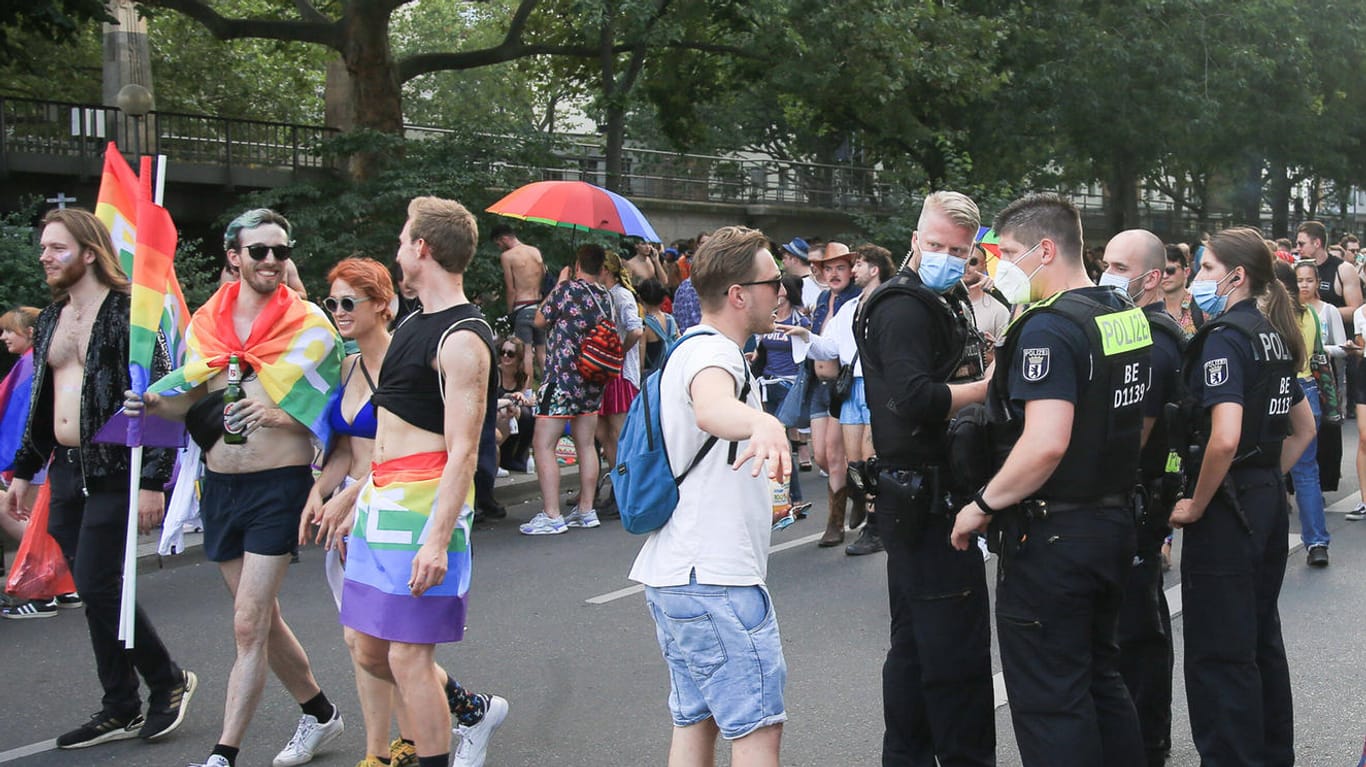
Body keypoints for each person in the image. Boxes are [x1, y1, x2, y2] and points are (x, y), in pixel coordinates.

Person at [126, 208, 346, 767]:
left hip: (279, 486)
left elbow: (333, 418)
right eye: (259, 251)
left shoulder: (311, 327)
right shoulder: (207, 323)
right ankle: (321, 713)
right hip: (220, 488)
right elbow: (184, 400)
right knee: (263, 621)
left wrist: (275, 418)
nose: (271, 260)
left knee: (248, 623)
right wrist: (151, 402)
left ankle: (223, 755)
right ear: (234, 256)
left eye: (280, 250)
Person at [310, 198, 510, 767]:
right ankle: (471, 708)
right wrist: (354, 493)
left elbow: (465, 450)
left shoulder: (463, 338)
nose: (398, 250)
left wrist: (436, 538)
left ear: (422, 248)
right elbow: (392, 430)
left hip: (425, 504)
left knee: (406, 658)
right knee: (366, 647)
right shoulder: (414, 325)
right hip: (382, 496)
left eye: (403, 241)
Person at [951, 194, 1147, 766]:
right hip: (1111, 520)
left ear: (1044, 249)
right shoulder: (1120, 310)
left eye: (1007, 252)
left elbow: (1046, 440)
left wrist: (981, 504)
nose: (998, 266)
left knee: (1051, 700)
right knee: (1101, 680)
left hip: (1055, 534)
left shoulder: (1047, 329)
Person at [4, 208, 194, 749]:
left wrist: (154, 480)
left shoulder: (131, 312)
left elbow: (160, 394)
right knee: (100, 589)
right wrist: (25, 469)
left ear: (89, 252)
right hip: (65, 470)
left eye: (56, 248)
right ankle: (120, 705)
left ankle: (167, 681)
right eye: (43, 247)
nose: (45, 256)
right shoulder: (48, 320)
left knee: (95, 581)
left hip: (116, 468)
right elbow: (42, 403)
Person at [628, 225, 791, 767]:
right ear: (739, 294)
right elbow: (712, 407)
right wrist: (761, 422)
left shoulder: (695, 349)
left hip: (680, 574)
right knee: (756, 730)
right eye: (774, 282)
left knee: (695, 721)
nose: (782, 292)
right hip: (715, 578)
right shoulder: (711, 355)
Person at [856, 191, 994, 766]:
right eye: (935, 245)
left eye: (958, 251)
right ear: (915, 239)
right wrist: (992, 385)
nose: (945, 257)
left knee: (915, 648)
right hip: (928, 495)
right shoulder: (906, 306)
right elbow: (915, 397)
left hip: (925, 490)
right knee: (954, 656)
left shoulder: (943, 296)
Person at [1168, 227, 1315, 766]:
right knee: (1258, 638)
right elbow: (1304, 429)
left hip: (1230, 505)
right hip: (1263, 498)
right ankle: (1273, 754)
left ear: (1238, 276)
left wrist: (1200, 501)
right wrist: (1262, 477)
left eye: (1207, 269)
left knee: (1219, 649)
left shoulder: (1226, 336)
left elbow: (1224, 435)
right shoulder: (1271, 331)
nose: (1198, 279)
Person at [1100, 229, 1182, 766]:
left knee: (1137, 629)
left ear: (1150, 278)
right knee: (1135, 621)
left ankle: (1146, 740)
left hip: (1137, 497)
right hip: (1138, 498)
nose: (1106, 273)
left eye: (1118, 265)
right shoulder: (1137, 326)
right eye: (1103, 261)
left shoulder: (1152, 335)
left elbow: (1140, 430)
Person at [785, 244, 895, 556]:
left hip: (876, 386)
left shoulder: (888, 304)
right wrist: (804, 336)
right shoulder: (849, 308)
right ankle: (871, 517)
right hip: (851, 389)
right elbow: (830, 347)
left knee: (871, 460)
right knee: (856, 463)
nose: (854, 269)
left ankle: (876, 526)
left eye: (858, 264)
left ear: (874, 269)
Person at [520, 244, 612, 535]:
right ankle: (586, 510)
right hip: (592, 379)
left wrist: (559, 283)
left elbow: (538, 319)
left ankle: (552, 514)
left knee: (543, 443)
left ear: (577, 264)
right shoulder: (604, 296)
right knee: (586, 444)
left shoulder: (566, 290)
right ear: (602, 267)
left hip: (561, 377)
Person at [1, 305, 81, 619]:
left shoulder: (33, 363)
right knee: (40, 521)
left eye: (10, 330)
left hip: (36, 455)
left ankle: (44, 589)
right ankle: (65, 587)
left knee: (30, 519)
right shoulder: (36, 362)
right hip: (46, 454)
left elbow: (23, 418)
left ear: (32, 333)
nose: (4, 336)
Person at [805, 242, 859, 547]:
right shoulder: (823, 299)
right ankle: (858, 492)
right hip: (817, 386)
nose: (835, 274)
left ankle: (834, 524)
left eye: (841, 267)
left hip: (843, 386)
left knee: (836, 457)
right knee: (822, 457)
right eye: (829, 268)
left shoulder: (856, 299)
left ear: (851, 270)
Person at [1280, 261, 1332, 566]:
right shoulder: (1309, 314)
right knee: (1306, 472)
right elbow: (1318, 356)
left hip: (1277, 390)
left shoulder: (1270, 316)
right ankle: (1317, 543)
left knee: (1265, 470)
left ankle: (1262, 542)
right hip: (1308, 390)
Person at [754, 274, 810, 515]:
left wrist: (804, 333)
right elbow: (762, 349)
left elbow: (810, 347)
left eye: (779, 285)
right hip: (767, 383)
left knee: (780, 441)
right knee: (772, 443)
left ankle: (793, 499)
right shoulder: (768, 317)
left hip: (790, 384)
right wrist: (753, 360)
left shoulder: (801, 318)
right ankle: (781, 500)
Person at [597, 251, 644, 472]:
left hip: (620, 374)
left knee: (618, 434)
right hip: (606, 372)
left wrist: (619, 352)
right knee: (604, 434)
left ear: (605, 270)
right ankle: (616, 483)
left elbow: (635, 330)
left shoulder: (622, 295)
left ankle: (624, 486)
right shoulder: (605, 294)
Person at [492, 224, 546, 382]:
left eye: (498, 244)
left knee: (526, 352)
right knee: (542, 352)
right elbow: (543, 276)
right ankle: (547, 391)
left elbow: (511, 289)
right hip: (540, 307)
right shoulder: (535, 252)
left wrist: (510, 314)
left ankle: (527, 392)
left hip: (522, 307)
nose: (500, 248)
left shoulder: (508, 256)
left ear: (504, 238)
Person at [1298, 220, 1362, 326]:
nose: (1298, 248)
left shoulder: (1344, 269)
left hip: (1338, 337)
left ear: (1317, 243)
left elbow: (1356, 311)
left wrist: (1321, 313)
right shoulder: (1296, 269)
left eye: (1301, 244)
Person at [495, 336, 534, 473]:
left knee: (528, 414)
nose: (505, 356)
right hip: (497, 411)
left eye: (510, 354)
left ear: (518, 358)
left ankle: (518, 456)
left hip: (512, 413)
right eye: (503, 352)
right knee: (508, 413)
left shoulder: (523, 377)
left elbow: (528, 400)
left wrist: (522, 397)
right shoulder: (496, 373)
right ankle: (499, 458)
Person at [965, 244, 1009, 343]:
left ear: (984, 266)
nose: (966, 266)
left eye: (973, 261)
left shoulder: (999, 310)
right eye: (962, 260)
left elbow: (1004, 353)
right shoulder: (942, 300)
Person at [639, 278, 679, 376]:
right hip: (671, 371)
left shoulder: (645, 325)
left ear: (640, 299)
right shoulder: (671, 320)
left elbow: (641, 362)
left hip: (654, 376)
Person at [1160, 244, 1203, 337]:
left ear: (1186, 272)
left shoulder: (1201, 307)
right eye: (1161, 271)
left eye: (1170, 270)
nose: (1164, 276)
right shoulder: (1153, 308)